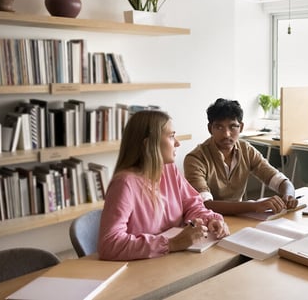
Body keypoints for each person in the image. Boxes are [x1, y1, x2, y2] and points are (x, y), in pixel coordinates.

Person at [98, 110, 229, 261]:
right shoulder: (124, 183)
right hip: (140, 268)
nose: (178, 143)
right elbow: (108, 244)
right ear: (149, 144)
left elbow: (192, 205)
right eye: (172, 136)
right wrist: (172, 244)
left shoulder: (168, 169)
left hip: (171, 260)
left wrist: (210, 220)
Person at [183, 98, 298, 215]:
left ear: (241, 127)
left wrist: (288, 196)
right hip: (208, 221)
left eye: (233, 126)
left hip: (240, 218)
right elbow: (205, 204)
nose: (226, 134)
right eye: (219, 127)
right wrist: (254, 206)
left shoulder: (246, 150)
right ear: (210, 129)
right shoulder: (195, 159)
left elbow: (279, 180)